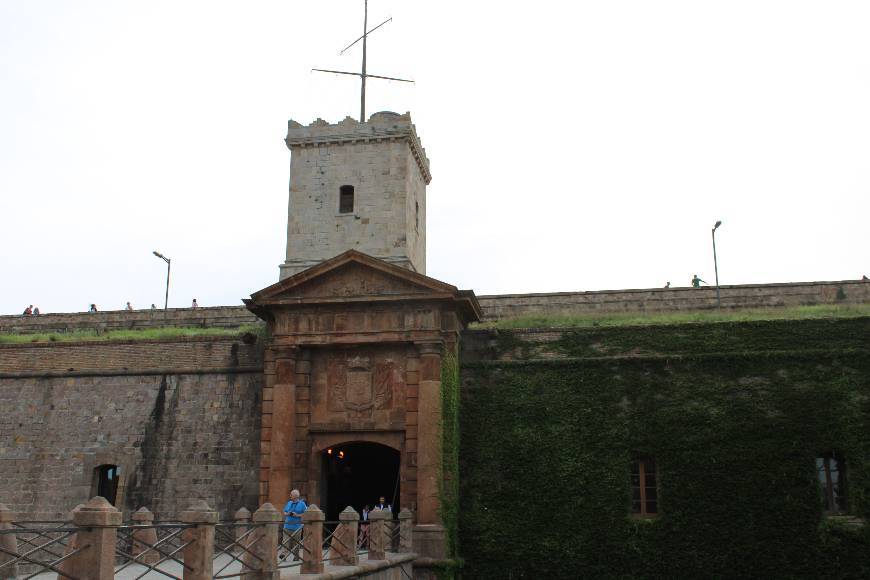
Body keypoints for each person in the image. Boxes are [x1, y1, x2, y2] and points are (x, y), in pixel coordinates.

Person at [282, 489, 307, 561]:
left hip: (297, 527)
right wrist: (288, 513)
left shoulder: (302, 504)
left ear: (295, 496)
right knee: (285, 541)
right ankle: (284, 555)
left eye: (291, 495)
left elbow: (307, 513)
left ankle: (296, 556)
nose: (290, 496)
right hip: (287, 526)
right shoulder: (289, 503)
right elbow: (284, 512)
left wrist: (297, 515)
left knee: (296, 543)